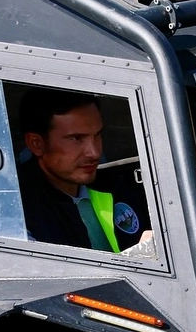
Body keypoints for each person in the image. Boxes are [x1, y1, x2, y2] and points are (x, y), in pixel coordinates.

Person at [17, 89, 152, 253]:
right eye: (76, 139)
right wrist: (141, 257)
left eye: (97, 135)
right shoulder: (16, 213)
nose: (94, 152)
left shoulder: (121, 185)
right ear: (36, 143)